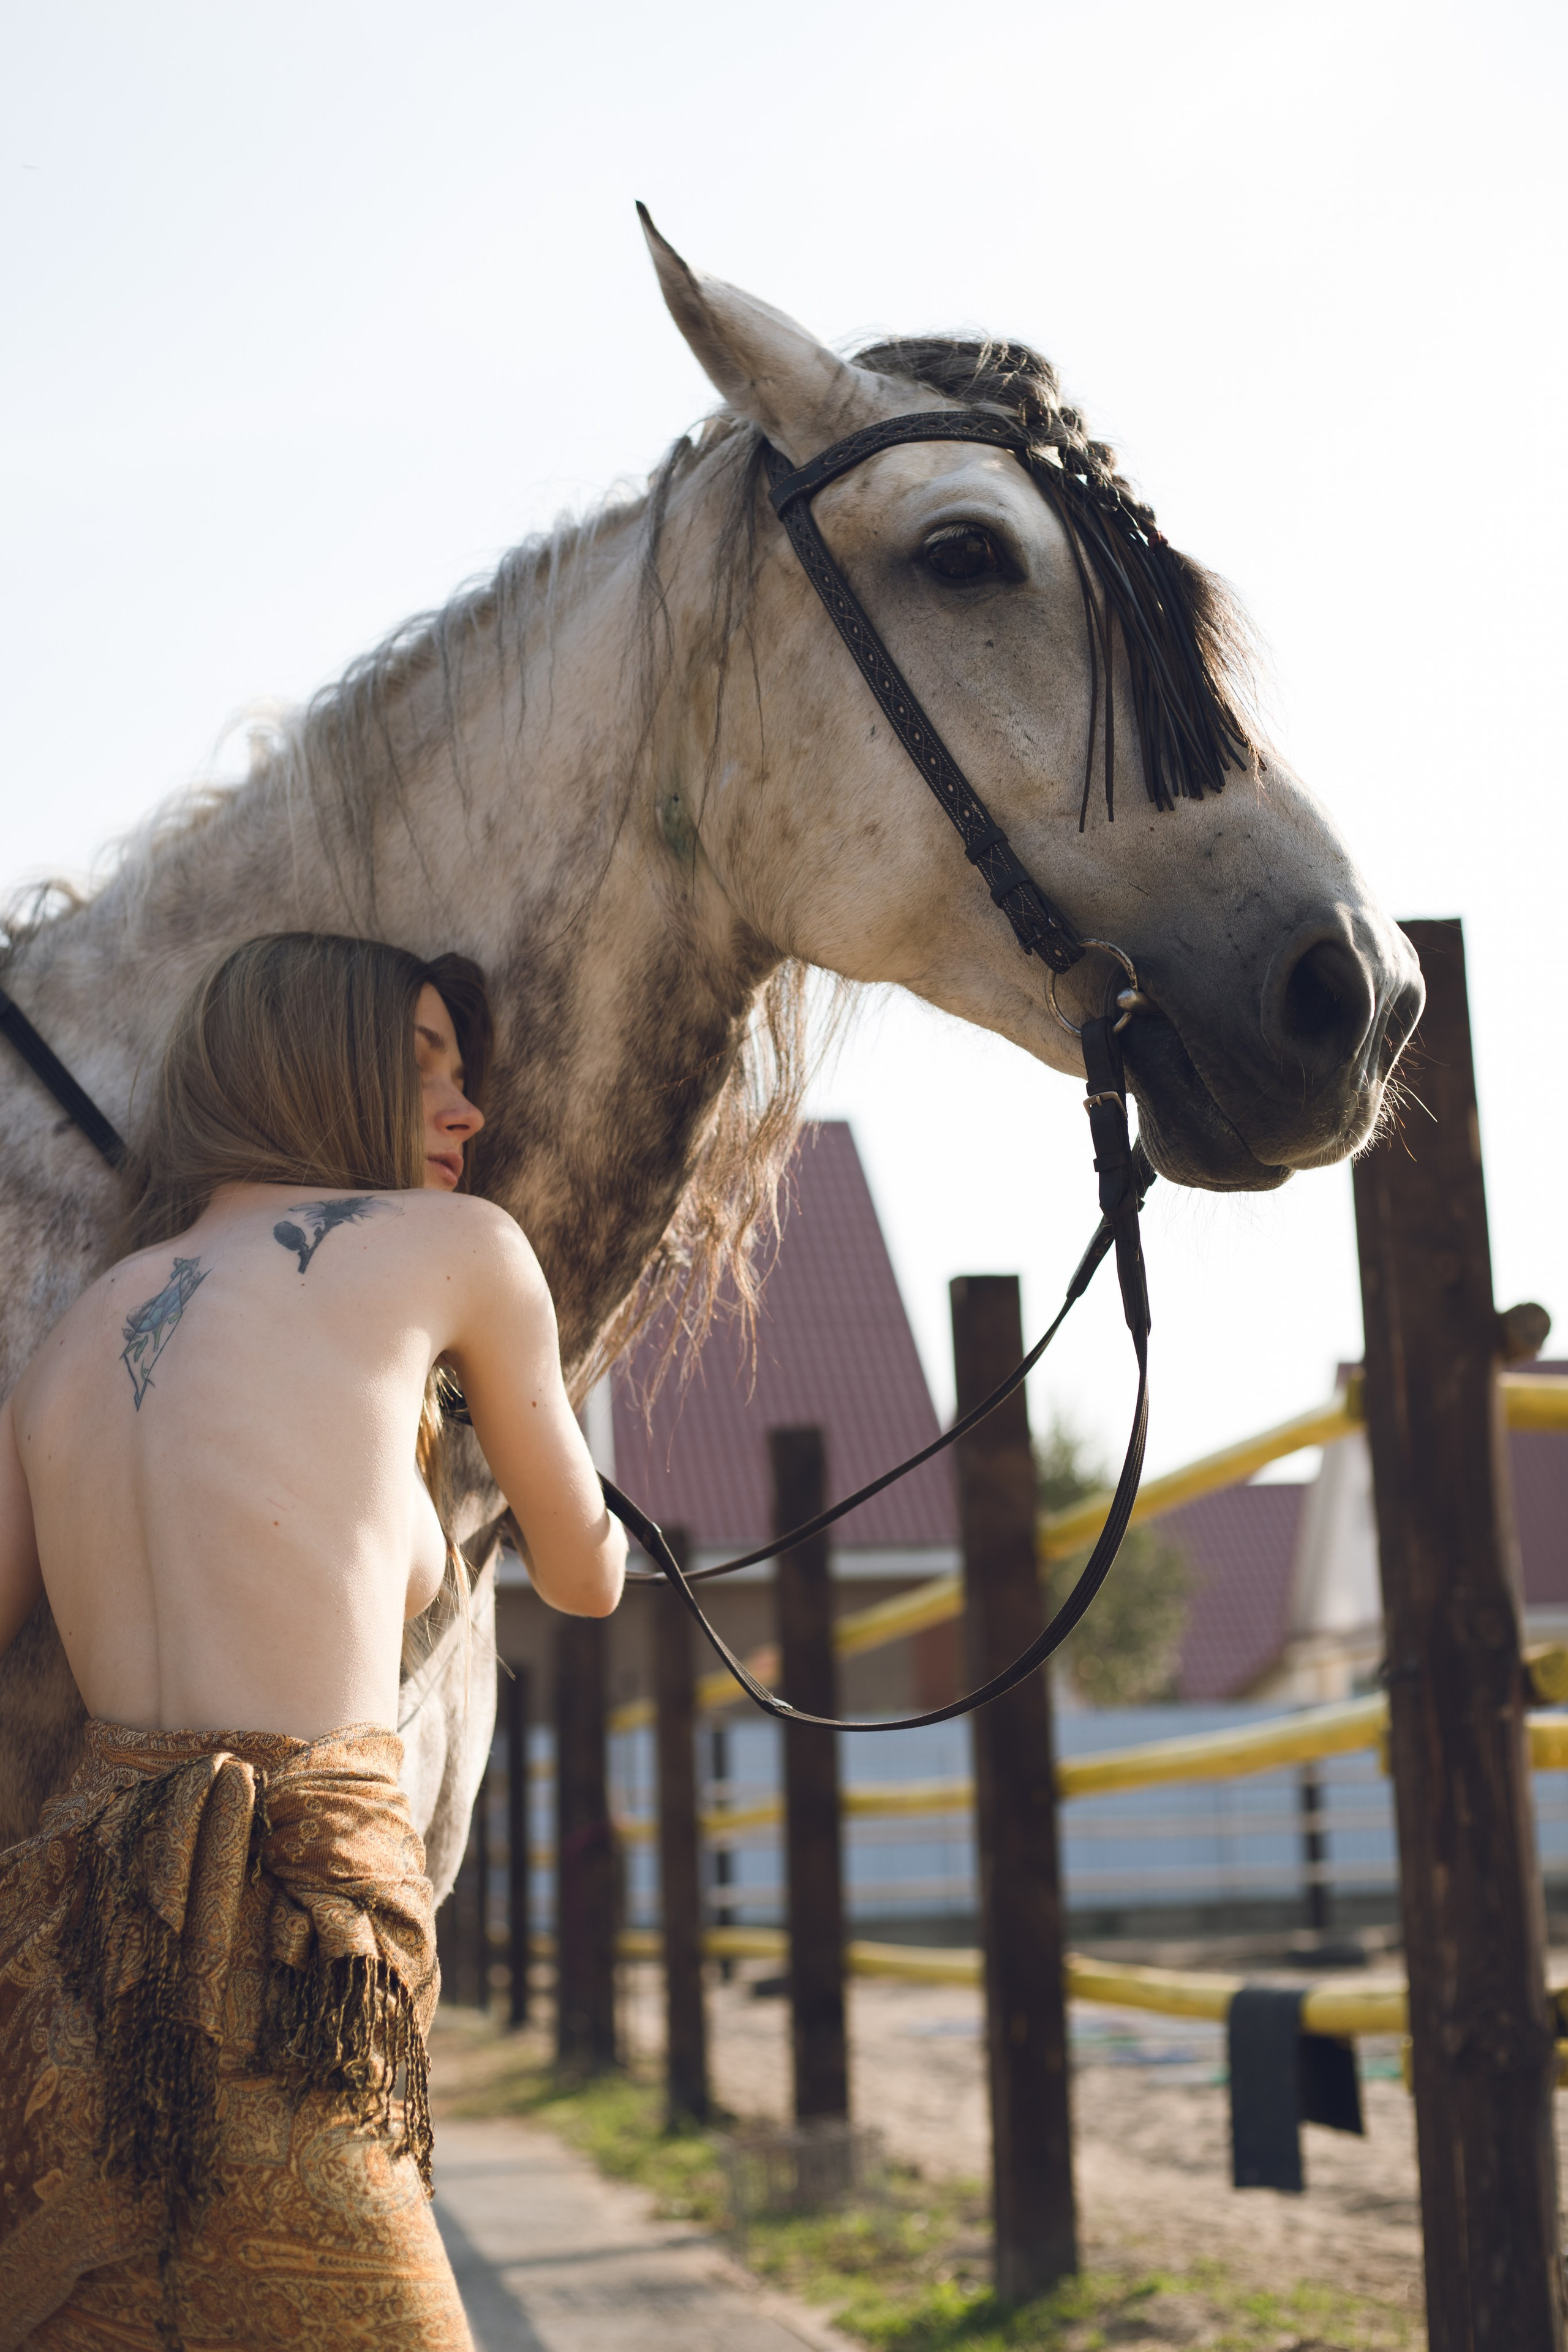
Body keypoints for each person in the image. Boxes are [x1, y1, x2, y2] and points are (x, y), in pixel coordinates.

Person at [0, 932, 625, 2351]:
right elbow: (584, 1578)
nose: (466, 1112)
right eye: (422, 1068)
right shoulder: (459, 1249)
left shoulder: (82, 1329)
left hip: (89, 1935)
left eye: (464, 1077)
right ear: (310, 1071)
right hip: (300, 1925)